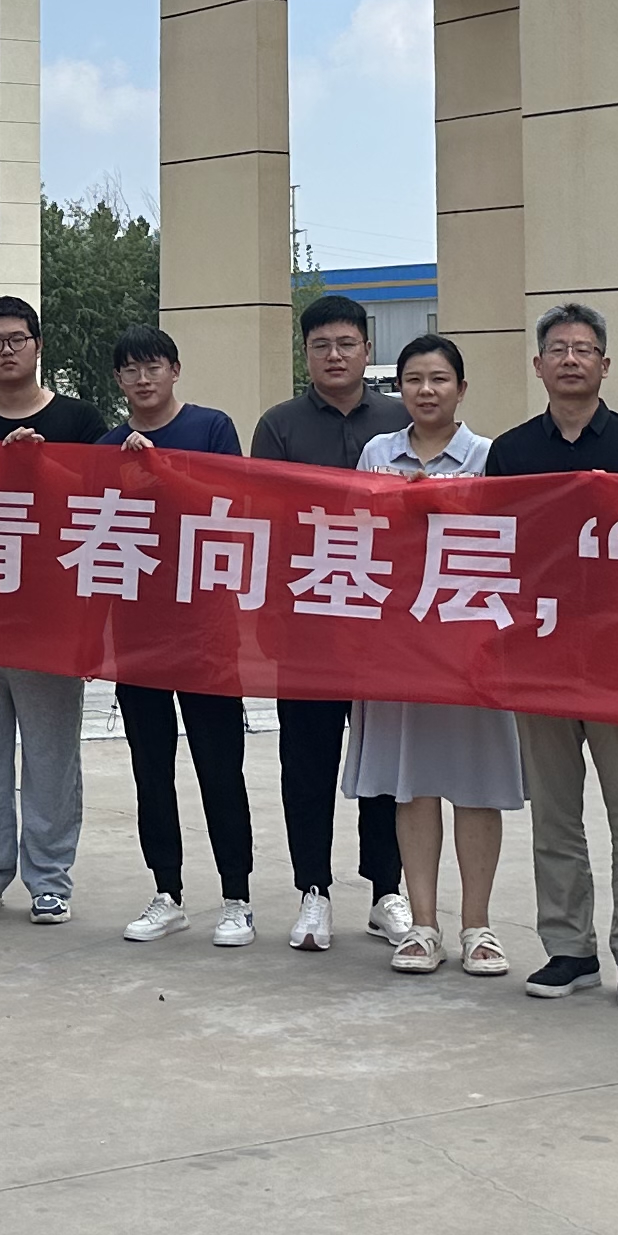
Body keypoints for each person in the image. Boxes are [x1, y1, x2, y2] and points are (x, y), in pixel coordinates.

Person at [486, 304, 618, 1008]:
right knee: (555, 812)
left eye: (584, 349)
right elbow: (494, 548)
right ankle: (569, 948)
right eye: (558, 349)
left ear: (605, 364)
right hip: (539, 656)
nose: (571, 359)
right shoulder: (511, 453)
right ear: (538, 365)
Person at [349, 336, 523, 977]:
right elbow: (357, 536)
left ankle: (478, 925)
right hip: (400, 646)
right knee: (412, 785)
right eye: (414, 380)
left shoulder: (491, 456)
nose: (426, 391)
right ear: (399, 389)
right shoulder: (376, 454)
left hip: (473, 646)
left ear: (461, 389)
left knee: (477, 786)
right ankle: (422, 925)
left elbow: (509, 541)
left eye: (439, 379)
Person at [0, 294, 110, 927]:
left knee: (51, 756)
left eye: (17, 339)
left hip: (53, 621)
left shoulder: (80, 421)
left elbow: (104, 511)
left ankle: (50, 878)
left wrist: (41, 467)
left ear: (38, 346)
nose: (6, 351)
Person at [251, 293, 410, 952]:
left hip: (385, 627)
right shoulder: (280, 426)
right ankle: (312, 889)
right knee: (306, 762)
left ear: (367, 350)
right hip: (307, 623)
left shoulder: (402, 419)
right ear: (306, 354)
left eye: (346, 344)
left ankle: (387, 890)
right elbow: (264, 520)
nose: (335, 356)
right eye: (321, 346)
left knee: (385, 762)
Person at [101, 323, 256, 948]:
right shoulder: (107, 445)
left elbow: (233, 503)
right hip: (136, 630)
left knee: (220, 768)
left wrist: (159, 472)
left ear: (175, 370)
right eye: (131, 369)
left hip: (206, 627)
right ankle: (167, 892)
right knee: (151, 769)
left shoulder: (211, 428)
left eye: (154, 366)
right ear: (119, 379)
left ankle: (237, 897)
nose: (143, 379)